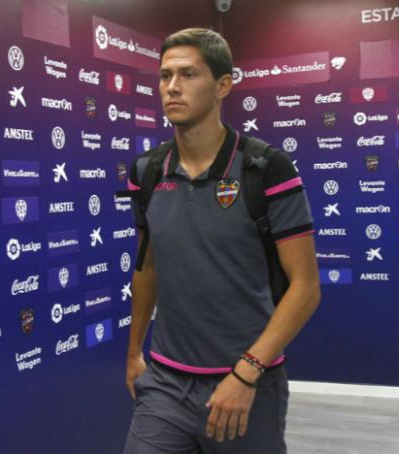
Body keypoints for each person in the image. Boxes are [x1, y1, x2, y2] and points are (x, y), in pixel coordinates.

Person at [123, 27, 320, 454]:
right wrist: (134, 351)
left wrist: (247, 372)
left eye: (188, 74)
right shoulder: (146, 172)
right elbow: (147, 265)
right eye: (164, 76)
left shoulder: (266, 169)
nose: (172, 87)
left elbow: (305, 287)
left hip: (247, 384)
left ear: (223, 85)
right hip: (164, 384)